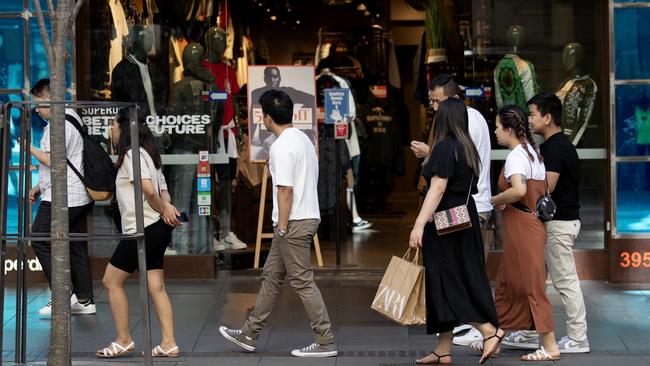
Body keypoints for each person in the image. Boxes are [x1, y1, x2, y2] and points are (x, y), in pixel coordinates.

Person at [219, 90, 337, 358]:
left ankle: (325, 340)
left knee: (303, 282)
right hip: (303, 218)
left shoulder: (282, 146)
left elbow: (285, 190)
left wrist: (281, 228)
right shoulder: (303, 140)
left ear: (267, 118)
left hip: (292, 223)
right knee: (271, 277)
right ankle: (250, 333)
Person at [409, 98, 503, 365]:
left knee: (447, 280)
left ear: (444, 120)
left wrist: (419, 224)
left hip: (442, 222)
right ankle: (443, 348)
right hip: (463, 217)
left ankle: (488, 330)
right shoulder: (467, 147)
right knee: (452, 278)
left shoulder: (444, 148)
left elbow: (437, 188)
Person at [501, 93, 589, 353]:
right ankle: (529, 332)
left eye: (532, 115)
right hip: (559, 222)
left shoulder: (555, 147)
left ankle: (578, 337)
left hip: (560, 224)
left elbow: (545, 189)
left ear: (547, 117)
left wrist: (515, 194)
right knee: (535, 280)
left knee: (565, 281)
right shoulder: (556, 145)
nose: (529, 120)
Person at [96, 109, 180, 358]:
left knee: (111, 281)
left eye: (113, 124)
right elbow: (162, 189)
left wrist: (164, 209)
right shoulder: (148, 154)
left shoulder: (132, 155)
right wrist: (167, 208)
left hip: (142, 230)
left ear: (123, 128)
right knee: (157, 286)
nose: (111, 129)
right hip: (158, 229)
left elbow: (148, 190)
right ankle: (169, 343)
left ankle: (123, 339)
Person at [490, 104, 560, 361]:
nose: (495, 132)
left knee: (531, 285)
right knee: (507, 282)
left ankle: (550, 345)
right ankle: (495, 337)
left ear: (508, 129)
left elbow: (519, 190)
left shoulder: (516, 156)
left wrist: (496, 199)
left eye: (497, 127)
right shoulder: (532, 152)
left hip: (523, 226)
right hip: (529, 225)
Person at [27, 78, 96, 316]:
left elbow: (54, 160)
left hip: (63, 196)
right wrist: (39, 185)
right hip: (77, 194)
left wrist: (29, 148)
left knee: (38, 238)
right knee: (76, 246)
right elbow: (68, 160)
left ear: (50, 98)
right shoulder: (72, 116)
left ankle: (62, 295)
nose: (36, 110)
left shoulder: (58, 123)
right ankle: (85, 300)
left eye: (38, 104)